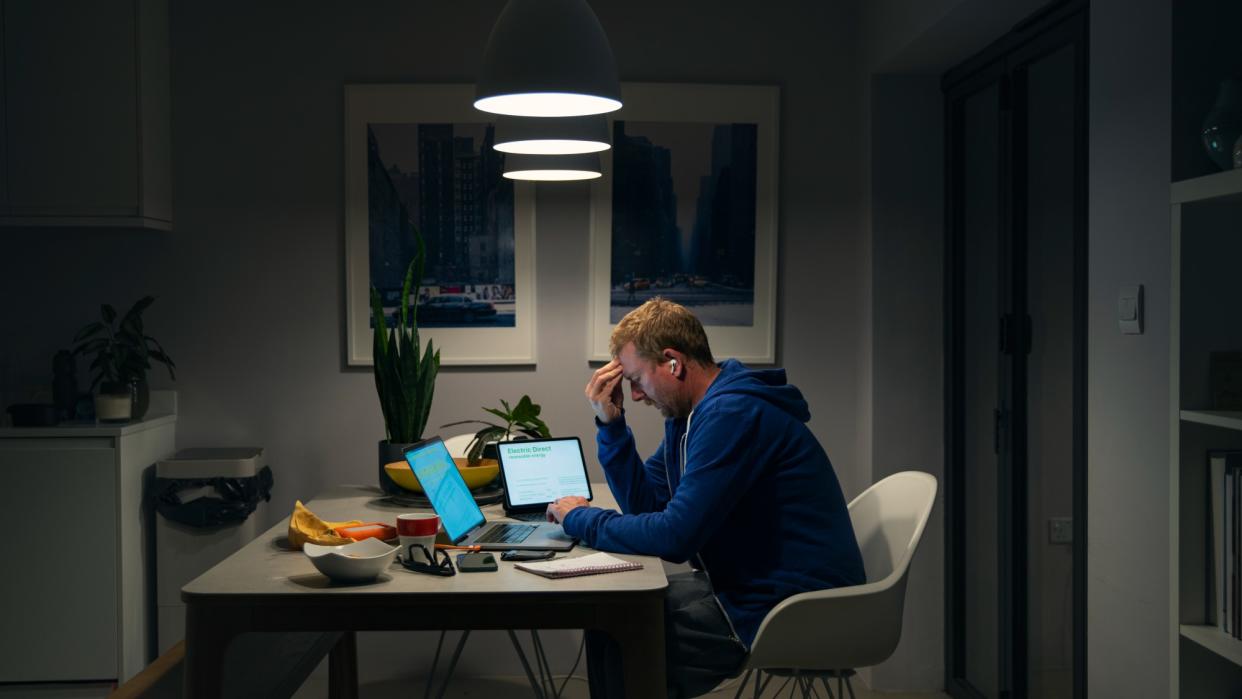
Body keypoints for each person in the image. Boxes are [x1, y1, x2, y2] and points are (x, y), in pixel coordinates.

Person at [546, 297, 866, 698]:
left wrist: (580, 519)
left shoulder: (732, 415)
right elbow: (647, 509)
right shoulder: (688, 418)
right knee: (608, 618)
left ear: (673, 363)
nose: (637, 395)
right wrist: (610, 425)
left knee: (627, 636)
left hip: (794, 604)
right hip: (749, 583)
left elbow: (673, 539)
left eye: (637, 379)